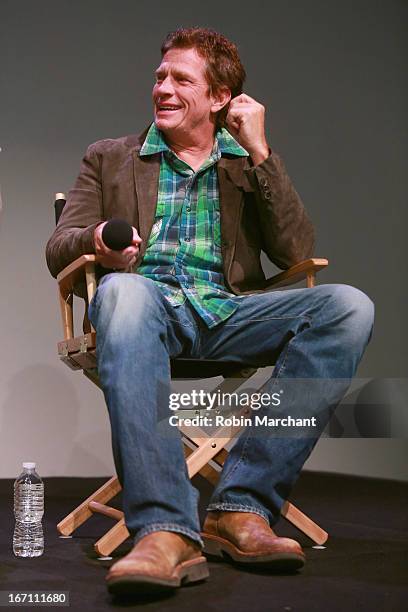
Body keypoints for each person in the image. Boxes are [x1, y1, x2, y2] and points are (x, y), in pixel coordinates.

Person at [46, 27, 374, 595]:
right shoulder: (111, 157)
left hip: (228, 314)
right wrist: (94, 239)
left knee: (348, 306)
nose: (163, 89)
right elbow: (59, 249)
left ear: (221, 97)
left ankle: (241, 507)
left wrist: (262, 153)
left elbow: (295, 253)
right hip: (145, 312)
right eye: (159, 77)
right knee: (121, 292)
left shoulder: (245, 163)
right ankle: (164, 529)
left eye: (181, 79)